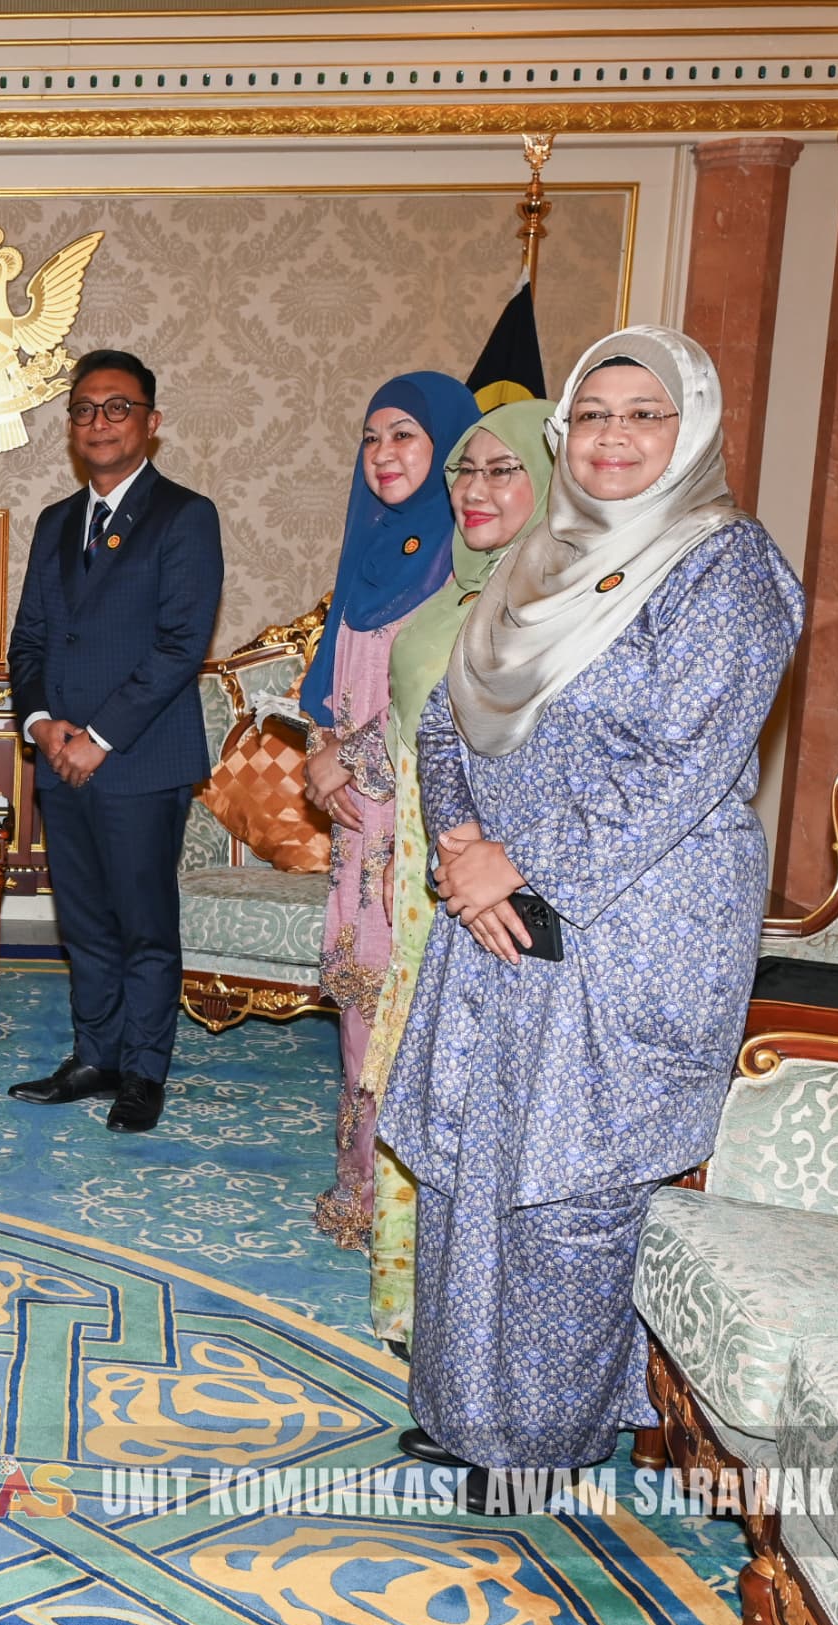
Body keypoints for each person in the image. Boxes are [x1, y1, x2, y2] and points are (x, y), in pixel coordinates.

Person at [383, 327, 802, 1507]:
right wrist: (461, 848)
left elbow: (680, 764)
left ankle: (543, 1440)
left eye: (644, 414)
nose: (614, 437)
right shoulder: (539, 557)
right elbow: (443, 719)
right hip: (492, 908)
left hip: (633, 919)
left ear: (692, 428)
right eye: (595, 414)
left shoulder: (725, 568)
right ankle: (469, 1409)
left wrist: (518, 863)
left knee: (569, 1183)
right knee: (473, 1157)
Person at [361, 399, 554, 1350]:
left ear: (551, 480)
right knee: (420, 1076)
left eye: (503, 470)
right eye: (464, 473)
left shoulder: (558, 602)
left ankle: (474, 1321)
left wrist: (486, 863)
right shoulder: (456, 594)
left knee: (483, 1091)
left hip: (498, 880)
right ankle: (414, 1301)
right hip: (421, 871)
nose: (475, 490)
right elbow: (416, 730)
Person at [7, 350, 225, 1133]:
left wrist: (98, 737)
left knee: (143, 926)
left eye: (117, 407)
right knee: (86, 925)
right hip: (59, 759)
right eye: (84, 410)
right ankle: (94, 1056)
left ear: (151, 422)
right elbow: (29, 641)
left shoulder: (184, 516)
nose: (98, 422)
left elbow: (180, 644)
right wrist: (42, 724)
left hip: (138, 760)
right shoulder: (55, 522)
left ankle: (142, 1072)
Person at [299, 373, 480, 1245]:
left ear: (450, 449)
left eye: (405, 435)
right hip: (356, 826)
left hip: (425, 827)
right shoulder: (370, 548)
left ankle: (417, 1221)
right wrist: (322, 757)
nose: (383, 454)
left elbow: (444, 703)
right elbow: (333, 690)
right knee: (362, 1008)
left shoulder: (472, 556)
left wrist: (346, 760)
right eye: (372, 438)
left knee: (415, 1012)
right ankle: (362, 1194)